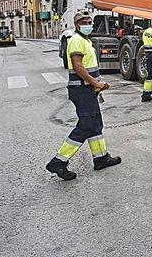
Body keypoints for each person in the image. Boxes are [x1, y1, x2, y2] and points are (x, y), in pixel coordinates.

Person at [46, 11, 120, 180]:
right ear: (78, 24)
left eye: (89, 21)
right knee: (86, 125)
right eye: (85, 21)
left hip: (87, 90)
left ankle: (101, 158)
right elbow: (78, 67)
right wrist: (95, 83)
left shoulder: (84, 40)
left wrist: (96, 85)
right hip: (82, 90)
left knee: (95, 124)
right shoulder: (77, 40)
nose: (89, 24)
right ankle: (59, 161)